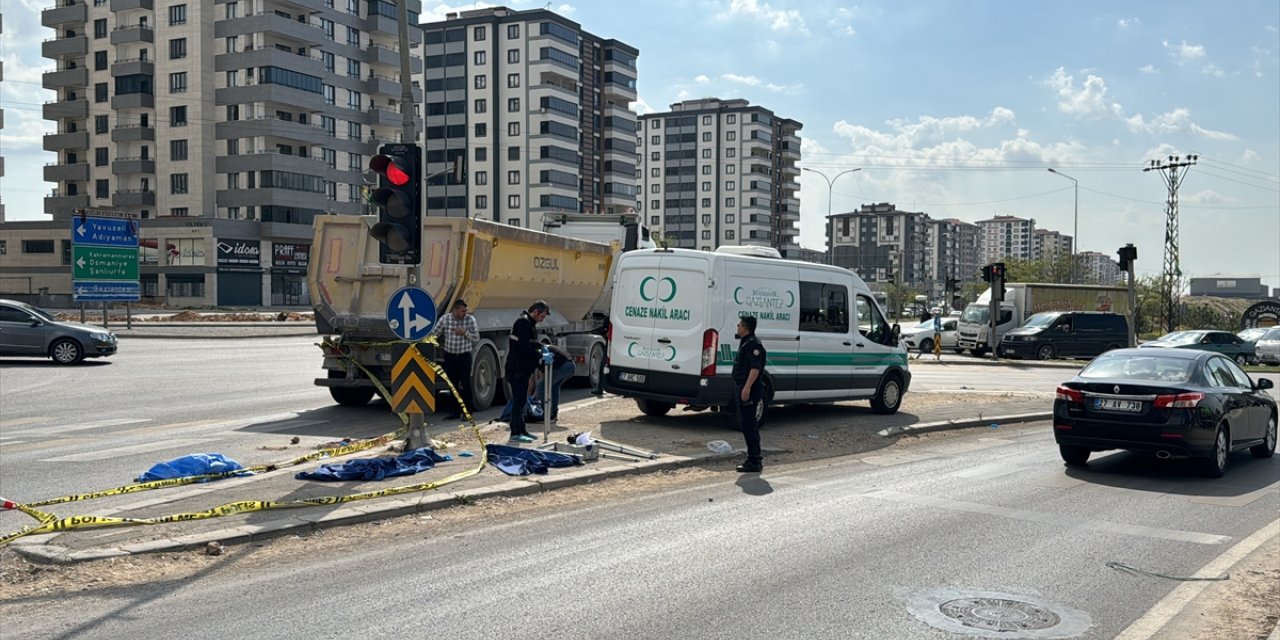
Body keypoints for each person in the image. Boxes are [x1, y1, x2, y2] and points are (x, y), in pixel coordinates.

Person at [503, 300, 550, 443]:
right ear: (535, 312)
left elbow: (531, 343)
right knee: (518, 401)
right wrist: (540, 356)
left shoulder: (529, 324)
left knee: (523, 400)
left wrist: (542, 347)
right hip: (517, 368)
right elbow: (524, 347)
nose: (542, 320)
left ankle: (522, 430)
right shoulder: (523, 323)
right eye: (542, 316)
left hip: (523, 369)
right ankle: (515, 432)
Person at [431, 299, 479, 420]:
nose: (464, 313)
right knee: (452, 385)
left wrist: (465, 333)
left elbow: (476, 338)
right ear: (455, 310)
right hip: (450, 356)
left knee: (465, 384)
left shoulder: (470, 320)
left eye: (465, 311)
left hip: (464, 356)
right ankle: (454, 411)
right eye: (462, 311)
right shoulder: (445, 319)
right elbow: (435, 333)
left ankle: (468, 412)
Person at [731, 315, 767, 473]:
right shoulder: (745, 342)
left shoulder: (753, 344)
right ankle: (753, 458)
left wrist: (746, 388)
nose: (737, 327)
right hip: (743, 385)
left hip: (749, 389)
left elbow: (755, 368)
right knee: (747, 424)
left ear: (745, 327)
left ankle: (754, 460)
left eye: (739, 325)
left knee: (749, 425)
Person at [535, 338, 575, 422]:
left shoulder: (541, 353)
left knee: (541, 387)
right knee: (554, 387)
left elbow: (540, 379)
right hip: (571, 366)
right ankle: (553, 414)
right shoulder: (547, 348)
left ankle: (546, 415)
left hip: (563, 367)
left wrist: (535, 396)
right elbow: (542, 374)